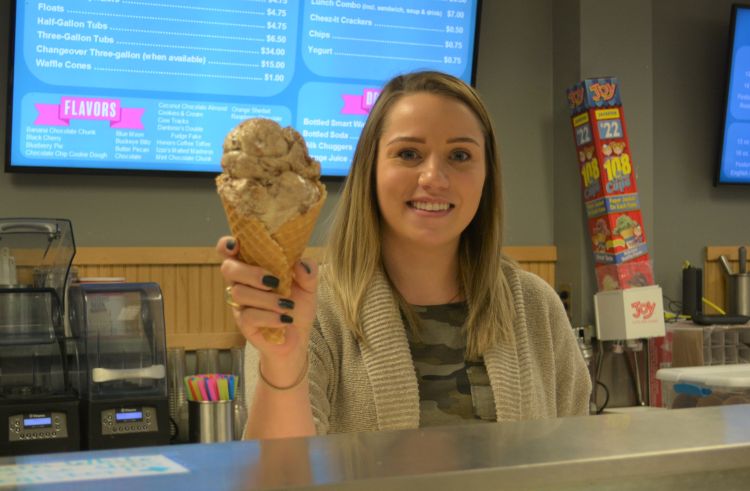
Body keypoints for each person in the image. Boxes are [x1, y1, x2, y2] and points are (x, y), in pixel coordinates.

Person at [217, 70, 591, 440]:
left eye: (460, 155)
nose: (433, 177)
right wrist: (284, 358)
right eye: (408, 153)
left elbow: (575, 464)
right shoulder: (309, 311)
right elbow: (282, 475)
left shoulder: (536, 307)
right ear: (371, 170)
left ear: (487, 175)